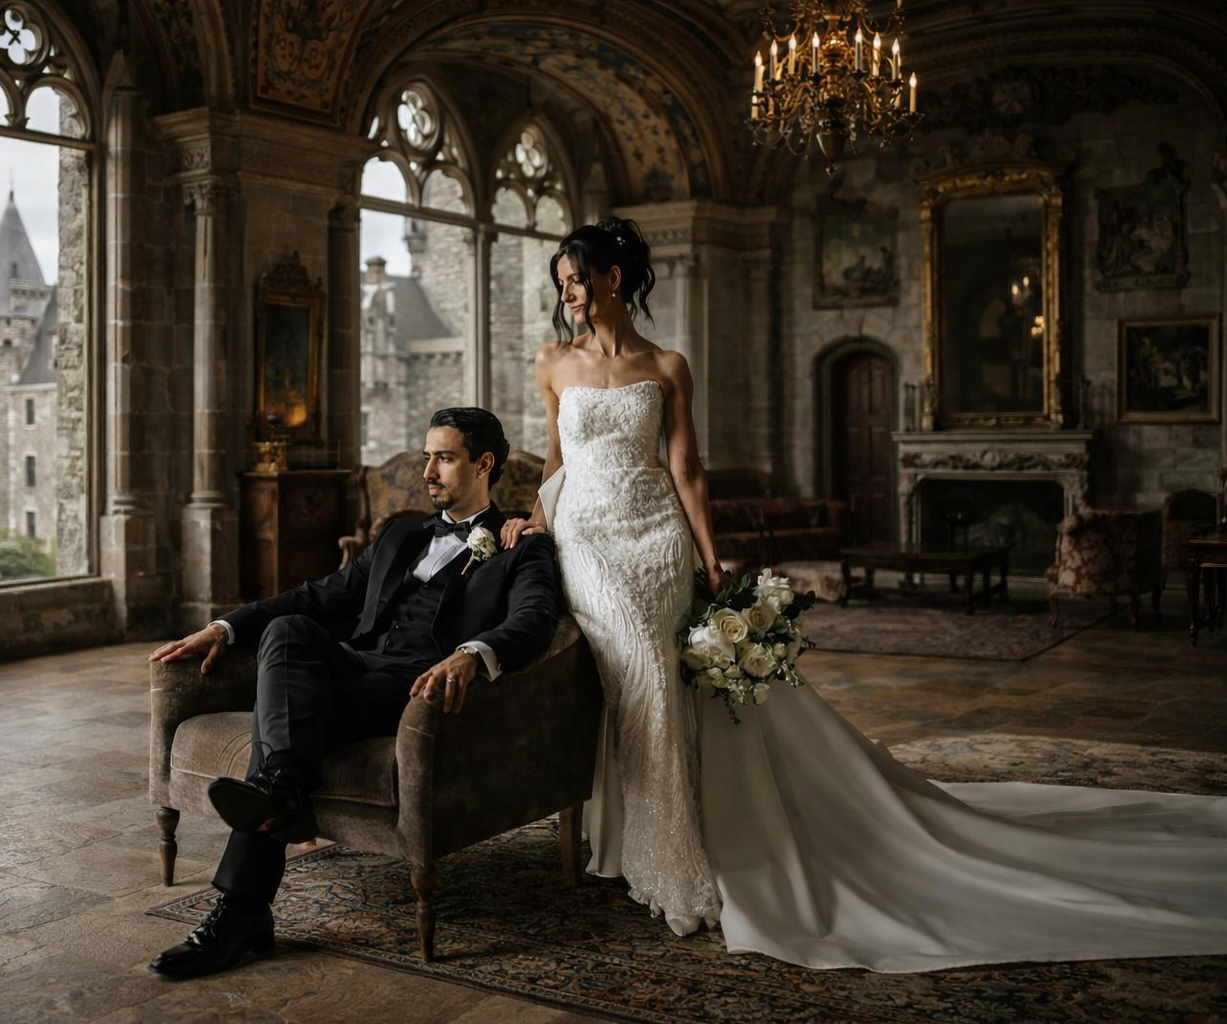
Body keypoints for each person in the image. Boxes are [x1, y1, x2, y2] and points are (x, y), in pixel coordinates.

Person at [501, 218, 1227, 972]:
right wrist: (532, 519)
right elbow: (557, 457)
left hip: (655, 538)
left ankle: (666, 846)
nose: (570, 296)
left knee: (657, 676)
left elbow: (687, 471)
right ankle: (628, 842)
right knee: (634, 675)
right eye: (562, 285)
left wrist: (711, 558)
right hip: (587, 537)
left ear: (613, 279)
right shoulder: (553, 361)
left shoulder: (668, 365)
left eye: (577, 281)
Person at [148, 407, 561, 979]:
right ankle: (281, 794)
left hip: (416, 687)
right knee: (287, 630)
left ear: (484, 463)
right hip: (356, 666)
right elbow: (319, 596)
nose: (428, 473)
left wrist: (470, 654)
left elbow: (535, 621)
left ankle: (240, 910)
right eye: (426, 458)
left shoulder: (521, 545)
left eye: (443, 458)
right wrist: (224, 627)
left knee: (279, 736)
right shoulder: (401, 532)